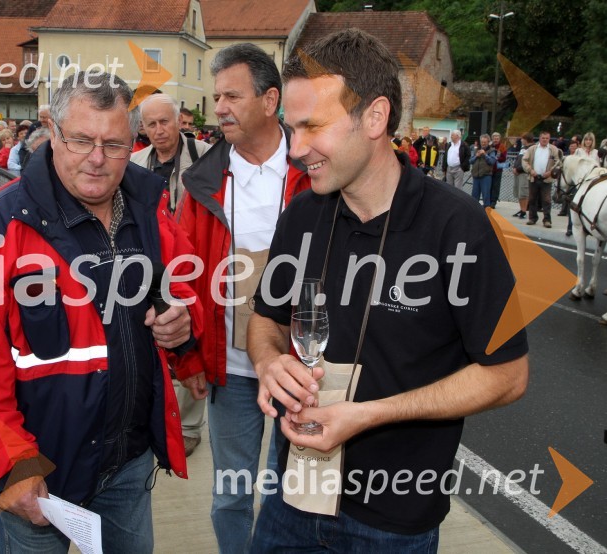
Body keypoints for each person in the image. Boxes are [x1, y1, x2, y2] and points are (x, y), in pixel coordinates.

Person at [247, 28, 528, 552]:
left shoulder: (458, 226)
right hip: (293, 498)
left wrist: (368, 415)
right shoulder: (301, 215)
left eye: (312, 126)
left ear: (375, 117)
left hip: (394, 521)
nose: (296, 149)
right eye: (291, 128)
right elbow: (267, 318)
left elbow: (508, 375)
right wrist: (268, 363)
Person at [0, 71, 202, 554]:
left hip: (129, 461)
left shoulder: (147, 208)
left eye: (114, 145)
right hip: (41, 474)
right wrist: (12, 468)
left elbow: (183, 282)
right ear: (53, 134)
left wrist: (183, 317)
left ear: (132, 144)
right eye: (81, 140)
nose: (97, 158)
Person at [174, 42, 311, 554]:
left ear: (270, 100)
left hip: (300, 368)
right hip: (229, 371)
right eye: (217, 97)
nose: (220, 108)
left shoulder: (314, 170)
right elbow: (182, 277)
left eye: (232, 96)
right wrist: (188, 357)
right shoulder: (202, 182)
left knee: (288, 491)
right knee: (231, 495)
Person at [131, 93, 210, 456]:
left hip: (197, 258)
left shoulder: (205, 156)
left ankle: (190, 424)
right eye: (151, 124)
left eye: (165, 121)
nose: (159, 130)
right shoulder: (135, 161)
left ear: (179, 120)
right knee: (160, 334)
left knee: (192, 333)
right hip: (154, 259)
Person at [521, 130, 562, 228]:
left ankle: (547, 220)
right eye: (543, 138)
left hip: (546, 179)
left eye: (547, 138)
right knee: (532, 199)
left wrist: (550, 172)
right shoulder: (532, 149)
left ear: (549, 139)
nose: (545, 140)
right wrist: (530, 170)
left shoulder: (553, 149)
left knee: (546, 200)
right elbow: (524, 160)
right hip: (534, 177)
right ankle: (532, 218)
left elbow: (558, 162)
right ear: (539, 138)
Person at [469, 134, 496, 207]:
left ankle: (487, 210)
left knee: (486, 195)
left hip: (486, 176)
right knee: (474, 195)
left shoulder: (492, 151)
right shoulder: (476, 150)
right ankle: (474, 209)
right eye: (482, 142)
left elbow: (492, 161)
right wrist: (476, 156)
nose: (483, 143)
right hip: (476, 175)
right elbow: (470, 161)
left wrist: (485, 154)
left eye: (485, 142)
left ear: (488, 142)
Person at [511, 133, 533, 219]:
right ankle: (521, 209)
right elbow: (518, 159)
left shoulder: (531, 148)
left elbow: (528, 162)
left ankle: (524, 211)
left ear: (526, 139)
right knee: (519, 193)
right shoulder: (523, 148)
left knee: (523, 193)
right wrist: (514, 167)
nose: (521, 140)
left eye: (522, 139)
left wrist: (518, 169)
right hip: (517, 173)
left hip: (524, 173)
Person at [489, 132, 508, 208]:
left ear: (499, 139)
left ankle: (493, 201)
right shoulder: (490, 146)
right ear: (492, 139)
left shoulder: (502, 146)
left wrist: (496, 158)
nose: (496, 140)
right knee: (489, 185)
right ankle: (488, 200)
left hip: (497, 169)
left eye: (497, 138)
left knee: (496, 186)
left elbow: (504, 158)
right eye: (494, 138)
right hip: (489, 169)